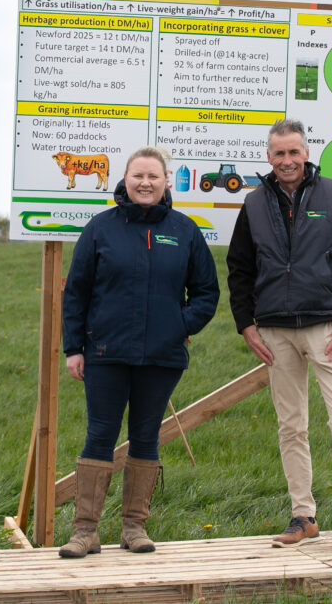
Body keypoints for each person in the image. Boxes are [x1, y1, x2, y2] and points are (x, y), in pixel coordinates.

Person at [226, 119, 332, 552]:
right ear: (268, 157)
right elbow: (239, 269)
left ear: (306, 152)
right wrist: (246, 324)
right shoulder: (254, 203)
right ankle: (303, 516)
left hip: (327, 329)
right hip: (275, 331)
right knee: (291, 426)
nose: (287, 161)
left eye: (294, 152)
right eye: (279, 154)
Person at [59, 146, 220, 558]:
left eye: (153, 177)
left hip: (161, 357)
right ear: (124, 181)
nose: (145, 183)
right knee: (100, 434)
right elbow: (76, 292)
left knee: (145, 437)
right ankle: (85, 532)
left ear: (167, 182)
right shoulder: (100, 229)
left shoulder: (184, 230)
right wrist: (74, 348)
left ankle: (133, 528)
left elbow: (206, 292)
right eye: (137, 177)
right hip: (105, 353)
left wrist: (179, 327)